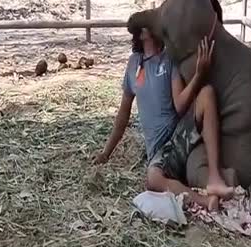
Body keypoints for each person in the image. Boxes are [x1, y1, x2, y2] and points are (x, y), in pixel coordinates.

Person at [93, 27, 232, 210]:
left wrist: (199, 74)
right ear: (138, 34)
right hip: (158, 152)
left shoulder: (169, 59)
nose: (145, 29)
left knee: (207, 93)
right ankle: (204, 201)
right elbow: (123, 114)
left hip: (177, 138)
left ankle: (215, 177)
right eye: (142, 27)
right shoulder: (133, 63)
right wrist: (106, 152)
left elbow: (180, 105)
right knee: (153, 178)